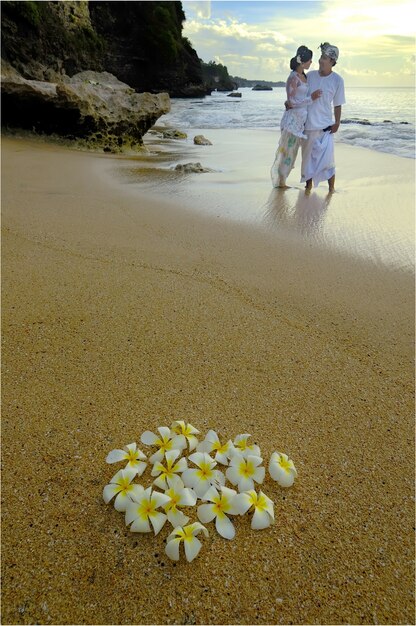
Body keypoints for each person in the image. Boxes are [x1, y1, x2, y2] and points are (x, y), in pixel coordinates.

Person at [271, 46, 322, 189]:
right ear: (303, 61)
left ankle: (282, 181)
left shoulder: (304, 76)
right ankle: (280, 182)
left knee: (292, 154)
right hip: (292, 121)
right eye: (310, 60)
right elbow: (292, 102)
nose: (311, 63)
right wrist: (311, 99)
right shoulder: (293, 77)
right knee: (286, 152)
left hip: (301, 121)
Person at [300, 42, 346, 193]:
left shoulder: (337, 80)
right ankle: (308, 188)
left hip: (326, 127)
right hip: (308, 126)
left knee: (328, 162)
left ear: (332, 61)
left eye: (324, 58)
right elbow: (300, 97)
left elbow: (338, 104)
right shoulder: (310, 76)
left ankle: (331, 190)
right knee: (307, 161)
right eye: (321, 56)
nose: (320, 60)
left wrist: (337, 122)